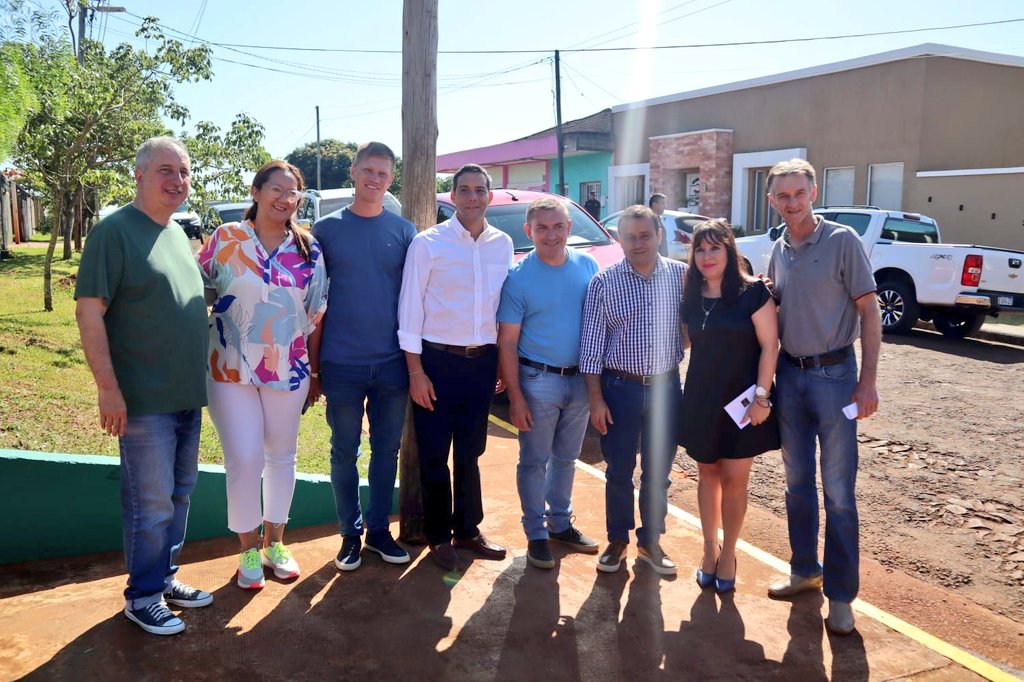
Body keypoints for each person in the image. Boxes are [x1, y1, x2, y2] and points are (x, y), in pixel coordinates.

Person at [74, 136, 212, 636]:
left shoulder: (177, 233)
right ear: (139, 175)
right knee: (149, 502)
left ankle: (163, 578)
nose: (178, 180)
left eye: (185, 171)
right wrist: (108, 390)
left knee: (178, 496)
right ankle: (143, 595)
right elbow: (90, 312)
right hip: (142, 399)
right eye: (165, 171)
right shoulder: (113, 232)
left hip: (184, 395)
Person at [763, 158, 881, 636]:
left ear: (813, 192)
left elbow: (870, 313)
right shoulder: (777, 249)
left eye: (799, 193)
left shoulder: (842, 242)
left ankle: (841, 595)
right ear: (772, 200)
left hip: (835, 378)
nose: (791, 203)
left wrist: (868, 381)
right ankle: (803, 570)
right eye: (782, 196)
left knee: (838, 493)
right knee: (795, 485)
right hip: (790, 378)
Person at [197, 161, 328, 590]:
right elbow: (198, 292)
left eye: (293, 193)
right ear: (255, 191)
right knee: (245, 459)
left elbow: (316, 314)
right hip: (229, 367)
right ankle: (247, 549)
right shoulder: (225, 239)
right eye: (276, 189)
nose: (284, 199)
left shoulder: (308, 248)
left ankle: (276, 542)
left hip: (287, 367)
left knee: (281, 456)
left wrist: (315, 371)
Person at [398, 163, 513, 572]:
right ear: (452, 196)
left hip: (481, 365)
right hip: (436, 362)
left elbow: (500, 309)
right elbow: (409, 309)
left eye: (479, 189)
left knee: (471, 452)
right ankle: (438, 536)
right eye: (463, 190)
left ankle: (467, 529)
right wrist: (416, 372)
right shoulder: (428, 244)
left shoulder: (502, 243)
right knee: (433, 453)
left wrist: (499, 359)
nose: (472, 197)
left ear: (489, 195)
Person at [311, 142, 418, 572]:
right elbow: (314, 302)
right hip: (342, 363)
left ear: (391, 179)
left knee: (385, 451)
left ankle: (378, 532)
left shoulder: (405, 231)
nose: (375, 179)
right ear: (354, 172)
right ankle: (349, 535)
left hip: (392, 364)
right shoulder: (325, 229)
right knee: (343, 452)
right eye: (368, 170)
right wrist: (315, 368)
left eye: (384, 173)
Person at [579, 204, 685, 576]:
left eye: (645, 235)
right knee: (619, 470)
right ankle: (618, 540)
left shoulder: (681, 277)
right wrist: (595, 399)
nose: (637, 243)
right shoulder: (603, 283)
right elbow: (590, 348)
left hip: (667, 389)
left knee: (658, 472)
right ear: (619, 239)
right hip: (619, 388)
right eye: (629, 237)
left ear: (659, 236)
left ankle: (651, 541)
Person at [497, 197, 601, 569]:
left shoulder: (588, 266)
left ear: (569, 228)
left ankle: (560, 523)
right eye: (542, 227)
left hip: (580, 381)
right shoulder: (518, 277)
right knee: (534, 460)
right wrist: (516, 397)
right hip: (538, 380)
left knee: (567, 458)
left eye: (558, 226)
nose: (551, 234)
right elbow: (507, 341)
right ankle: (536, 533)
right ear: (529, 231)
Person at [677, 219, 780, 594]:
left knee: (735, 480)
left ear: (729, 251)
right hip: (702, 398)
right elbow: (686, 342)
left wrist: (762, 397)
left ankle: (730, 553)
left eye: (714, 248)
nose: (707, 257)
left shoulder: (753, 293)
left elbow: (771, 346)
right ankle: (709, 549)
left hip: (743, 401)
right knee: (708, 475)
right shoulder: (692, 293)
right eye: (700, 250)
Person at [648, 192, 669, 257]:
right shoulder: (649, 220)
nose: (665, 206)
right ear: (654, 205)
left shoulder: (659, 218)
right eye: (662, 203)